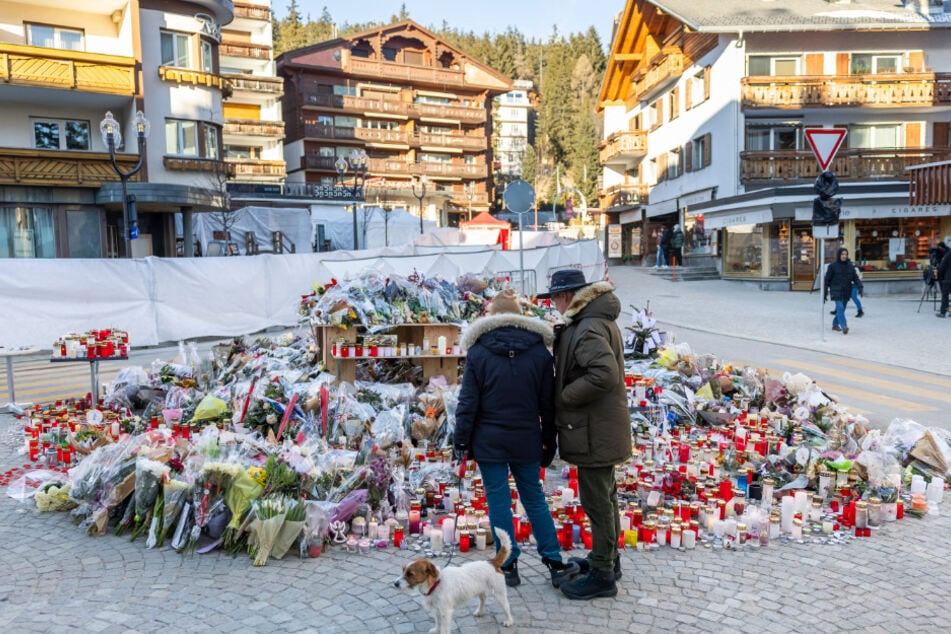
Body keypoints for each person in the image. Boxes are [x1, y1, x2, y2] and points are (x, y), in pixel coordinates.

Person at [452, 288, 572, 589]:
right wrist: (549, 439)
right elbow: (548, 405)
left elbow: (468, 402)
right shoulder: (539, 352)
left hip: (489, 439)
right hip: (526, 437)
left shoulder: (479, 351)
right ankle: (554, 561)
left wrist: (461, 441)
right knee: (534, 497)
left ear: (492, 317)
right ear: (520, 317)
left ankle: (508, 564)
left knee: (498, 500)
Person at [537, 269, 631, 600]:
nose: (554, 305)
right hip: (598, 426)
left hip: (595, 429)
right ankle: (606, 560)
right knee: (605, 496)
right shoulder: (591, 320)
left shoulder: (589, 326)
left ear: (566, 296)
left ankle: (603, 575)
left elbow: (603, 374)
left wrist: (564, 397)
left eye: (554, 299)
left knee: (597, 501)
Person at [824, 247, 862, 335]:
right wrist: (825, 292)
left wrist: (860, 286)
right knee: (840, 307)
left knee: (842, 308)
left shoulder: (850, 266)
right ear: (839, 255)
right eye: (842, 254)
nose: (844, 256)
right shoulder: (832, 266)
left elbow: (855, 278)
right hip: (836, 290)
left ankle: (835, 324)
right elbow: (827, 280)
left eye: (846, 254)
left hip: (846, 290)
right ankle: (844, 326)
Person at [936, 242, 951, 318]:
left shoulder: (948, 254)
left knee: (945, 296)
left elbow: (942, 267)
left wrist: (941, 277)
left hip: (948, 279)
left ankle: (943, 312)